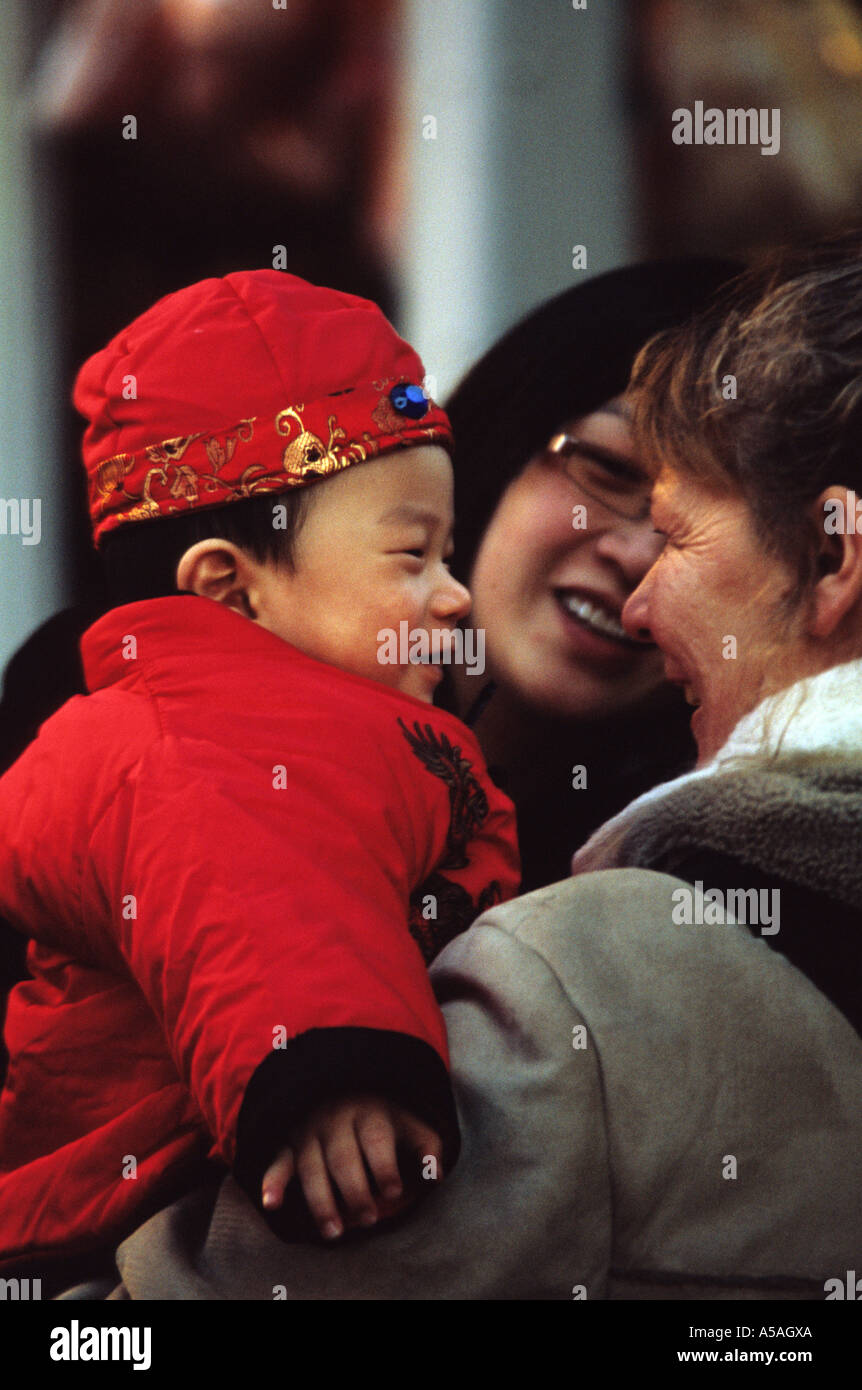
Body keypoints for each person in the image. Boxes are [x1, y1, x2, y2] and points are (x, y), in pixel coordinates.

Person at [107, 236, 862, 1300]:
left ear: (829, 560)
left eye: (678, 532)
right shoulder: (121, 717)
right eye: (603, 475)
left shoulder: (597, 971)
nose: (637, 582)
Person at [0, 270, 519, 1293]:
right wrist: (329, 1070)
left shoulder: (328, 723)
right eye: (411, 555)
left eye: (450, 553)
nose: (454, 594)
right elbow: (246, 888)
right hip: (127, 1231)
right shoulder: (183, 738)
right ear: (230, 594)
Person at [441, 259, 739, 889]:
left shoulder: (693, 895)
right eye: (606, 467)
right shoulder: (260, 742)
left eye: (697, 523)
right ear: (498, 441)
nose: (635, 555)